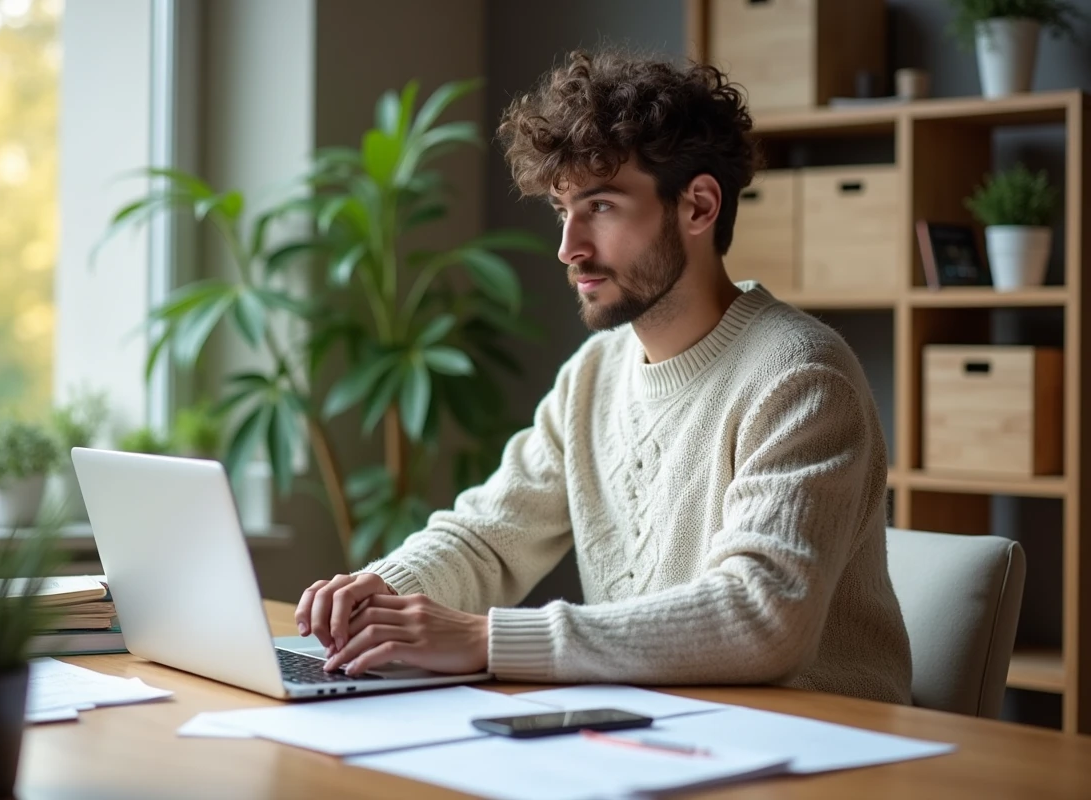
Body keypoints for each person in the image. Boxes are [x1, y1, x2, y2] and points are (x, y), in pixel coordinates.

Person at [296, 49, 912, 704]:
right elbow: (491, 536)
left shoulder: (801, 377)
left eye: (603, 206)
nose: (569, 248)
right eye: (563, 210)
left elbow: (761, 616)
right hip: (658, 726)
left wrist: (488, 640)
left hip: (823, 743)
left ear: (698, 206)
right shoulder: (594, 374)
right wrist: (385, 587)